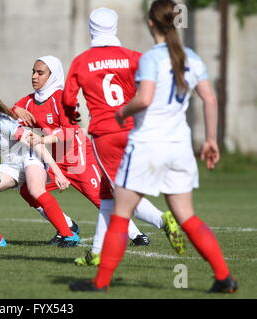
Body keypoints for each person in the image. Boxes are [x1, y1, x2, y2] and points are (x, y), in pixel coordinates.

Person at [70, 0, 238, 293]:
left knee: (120, 213)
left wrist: (122, 113)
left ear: (151, 24)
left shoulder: (150, 58)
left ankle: (100, 283)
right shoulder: (192, 58)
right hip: (179, 147)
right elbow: (210, 99)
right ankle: (224, 278)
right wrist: (211, 139)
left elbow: (144, 99)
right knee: (187, 216)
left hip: (147, 145)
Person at [61, 7, 185, 266]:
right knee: (107, 194)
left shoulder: (82, 61)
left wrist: (73, 116)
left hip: (105, 134)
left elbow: (67, 99)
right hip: (134, 130)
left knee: (120, 193)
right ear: (115, 28)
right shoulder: (133, 57)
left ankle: (164, 219)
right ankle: (96, 253)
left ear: (91, 29)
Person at [12, 55, 164, 248]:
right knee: (28, 191)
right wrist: (13, 111)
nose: (34, 76)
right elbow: (8, 118)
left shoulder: (62, 97)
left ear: (53, 76)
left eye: (40, 73)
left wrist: (42, 139)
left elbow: (69, 131)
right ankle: (67, 226)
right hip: (56, 160)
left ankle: (136, 235)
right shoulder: (28, 102)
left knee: (102, 199)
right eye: (33, 72)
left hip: (79, 158)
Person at [0, 83, 80, 247]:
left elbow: (34, 142)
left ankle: (69, 235)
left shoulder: (0, 122)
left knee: (34, 190)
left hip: (30, 156)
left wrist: (57, 171)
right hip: (10, 165)